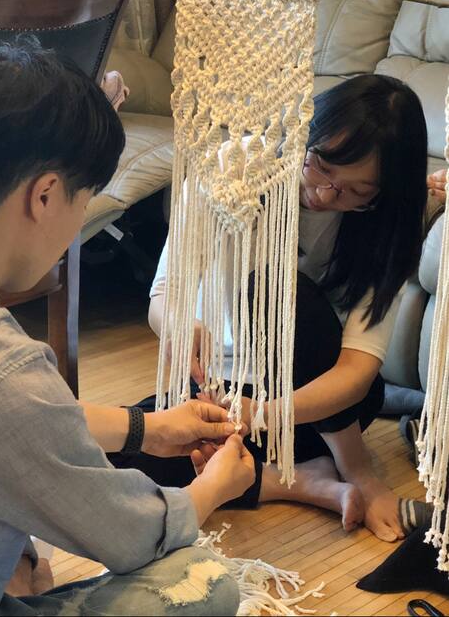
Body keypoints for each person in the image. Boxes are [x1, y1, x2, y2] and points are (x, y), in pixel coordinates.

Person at [0, 36, 255, 617]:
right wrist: (211, 489)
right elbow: (132, 535)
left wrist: (148, 429)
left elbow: (24, 427)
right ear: (45, 195)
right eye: (85, 200)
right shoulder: (8, 369)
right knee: (204, 583)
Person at [115, 74, 435, 544]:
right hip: (229, 396)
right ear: (304, 133)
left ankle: (353, 468)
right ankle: (298, 480)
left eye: (357, 192)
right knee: (121, 454)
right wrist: (182, 328)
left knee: (274, 291)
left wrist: (266, 414)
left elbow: (357, 370)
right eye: (321, 166)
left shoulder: (385, 228)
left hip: (321, 409)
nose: (325, 194)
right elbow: (164, 295)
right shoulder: (234, 169)